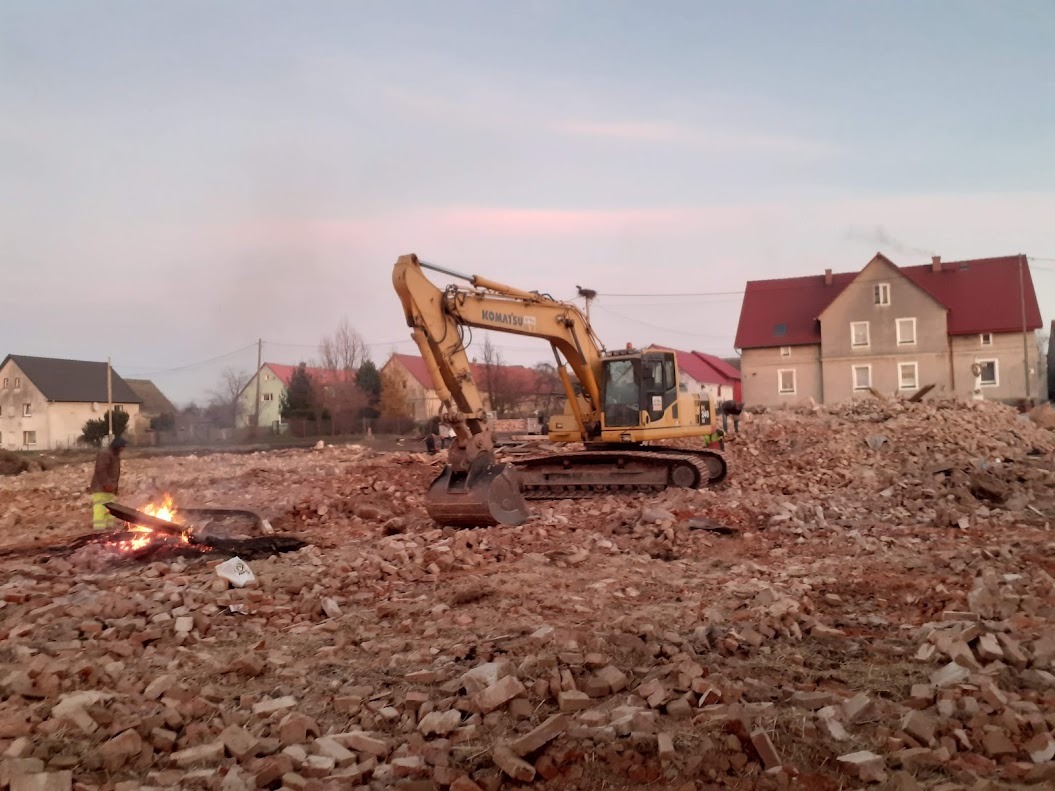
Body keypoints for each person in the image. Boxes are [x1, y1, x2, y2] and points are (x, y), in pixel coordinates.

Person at [90, 436, 126, 530]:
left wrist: (114, 487)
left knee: (110, 511)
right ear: (117, 446)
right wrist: (106, 484)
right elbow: (101, 470)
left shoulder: (114, 455)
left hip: (110, 489)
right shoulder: (105, 454)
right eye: (122, 447)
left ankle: (109, 532)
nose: (123, 449)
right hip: (101, 488)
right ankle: (98, 532)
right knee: (100, 509)